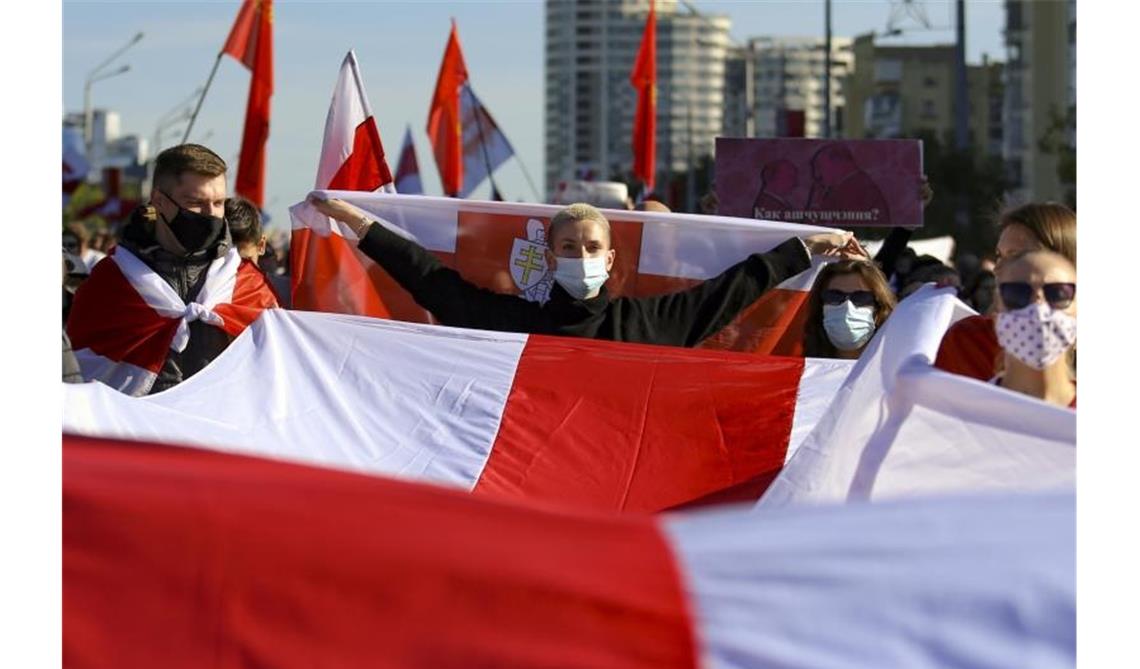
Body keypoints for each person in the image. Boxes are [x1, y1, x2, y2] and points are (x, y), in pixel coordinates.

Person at [308, 195, 865, 347]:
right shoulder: (511, 322)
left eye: (591, 245)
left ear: (611, 257)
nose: (581, 255)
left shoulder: (649, 324)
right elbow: (431, 280)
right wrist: (360, 221)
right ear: (549, 258)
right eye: (569, 246)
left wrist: (808, 246)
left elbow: (732, 289)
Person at [66, 144, 279, 395]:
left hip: (222, 428)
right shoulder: (111, 281)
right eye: (195, 202)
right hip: (138, 427)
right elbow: (80, 374)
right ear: (159, 201)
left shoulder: (249, 284)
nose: (211, 214)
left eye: (219, 203)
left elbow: (274, 369)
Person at [935, 202, 1076, 381]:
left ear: (1065, 264)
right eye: (999, 256)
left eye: (1016, 256)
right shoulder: (968, 341)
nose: (998, 268)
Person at [990, 249, 1076, 408]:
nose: (1038, 304)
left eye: (1058, 293)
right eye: (1016, 293)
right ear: (997, 310)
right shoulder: (961, 414)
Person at [803, 259, 896, 359]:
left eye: (861, 297)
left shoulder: (898, 370)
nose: (847, 306)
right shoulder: (801, 368)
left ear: (879, 308)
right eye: (834, 296)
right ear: (820, 307)